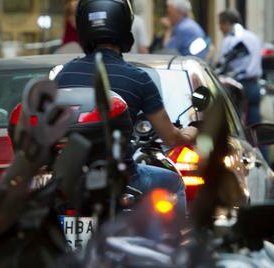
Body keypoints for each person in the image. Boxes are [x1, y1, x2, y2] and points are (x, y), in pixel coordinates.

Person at [55, 0, 197, 213]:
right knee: (173, 182)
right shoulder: (138, 78)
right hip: (123, 180)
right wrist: (191, 132)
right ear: (124, 29)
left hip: (71, 179)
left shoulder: (65, 73)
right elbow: (170, 138)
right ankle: (170, 245)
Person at [216, 9, 263, 125]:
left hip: (236, 86)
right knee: (255, 122)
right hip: (254, 84)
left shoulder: (229, 40)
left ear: (227, 23)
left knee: (235, 122)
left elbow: (223, 64)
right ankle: (258, 143)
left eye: (220, 24)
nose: (220, 28)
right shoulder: (254, 37)